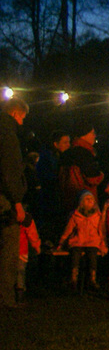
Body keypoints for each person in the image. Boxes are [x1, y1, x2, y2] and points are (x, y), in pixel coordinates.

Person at [1, 97, 29, 308]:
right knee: (9, 248)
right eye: (22, 118)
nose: (22, 123)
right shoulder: (8, 136)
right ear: (15, 114)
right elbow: (9, 171)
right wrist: (17, 201)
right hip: (4, 199)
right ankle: (5, 298)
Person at [58, 191, 106, 291]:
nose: (90, 201)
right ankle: (73, 279)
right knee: (75, 255)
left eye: (91, 199)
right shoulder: (75, 216)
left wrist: (103, 244)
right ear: (81, 202)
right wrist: (61, 243)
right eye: (87, 199)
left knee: (92, 256)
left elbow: (101, 231)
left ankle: (92, 279)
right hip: (78, 241)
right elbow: (68, 230)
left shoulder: (97, 216)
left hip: (92, 241)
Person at [58, 125, 103, 214]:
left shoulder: (66, 154)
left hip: (68, 202)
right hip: (85, 203)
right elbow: (93, 179)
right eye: (93, 133)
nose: (95, 136)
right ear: (84, 134)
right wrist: (102, 175)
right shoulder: (85, 154)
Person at [16, 211, 40, 302]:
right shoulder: (26, 217)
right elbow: (32, 233)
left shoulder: (6, 214)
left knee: (12, 272)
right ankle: (19, 297)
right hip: (21, 250)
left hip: (13, 249)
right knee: (20, 273)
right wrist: (36, 246)